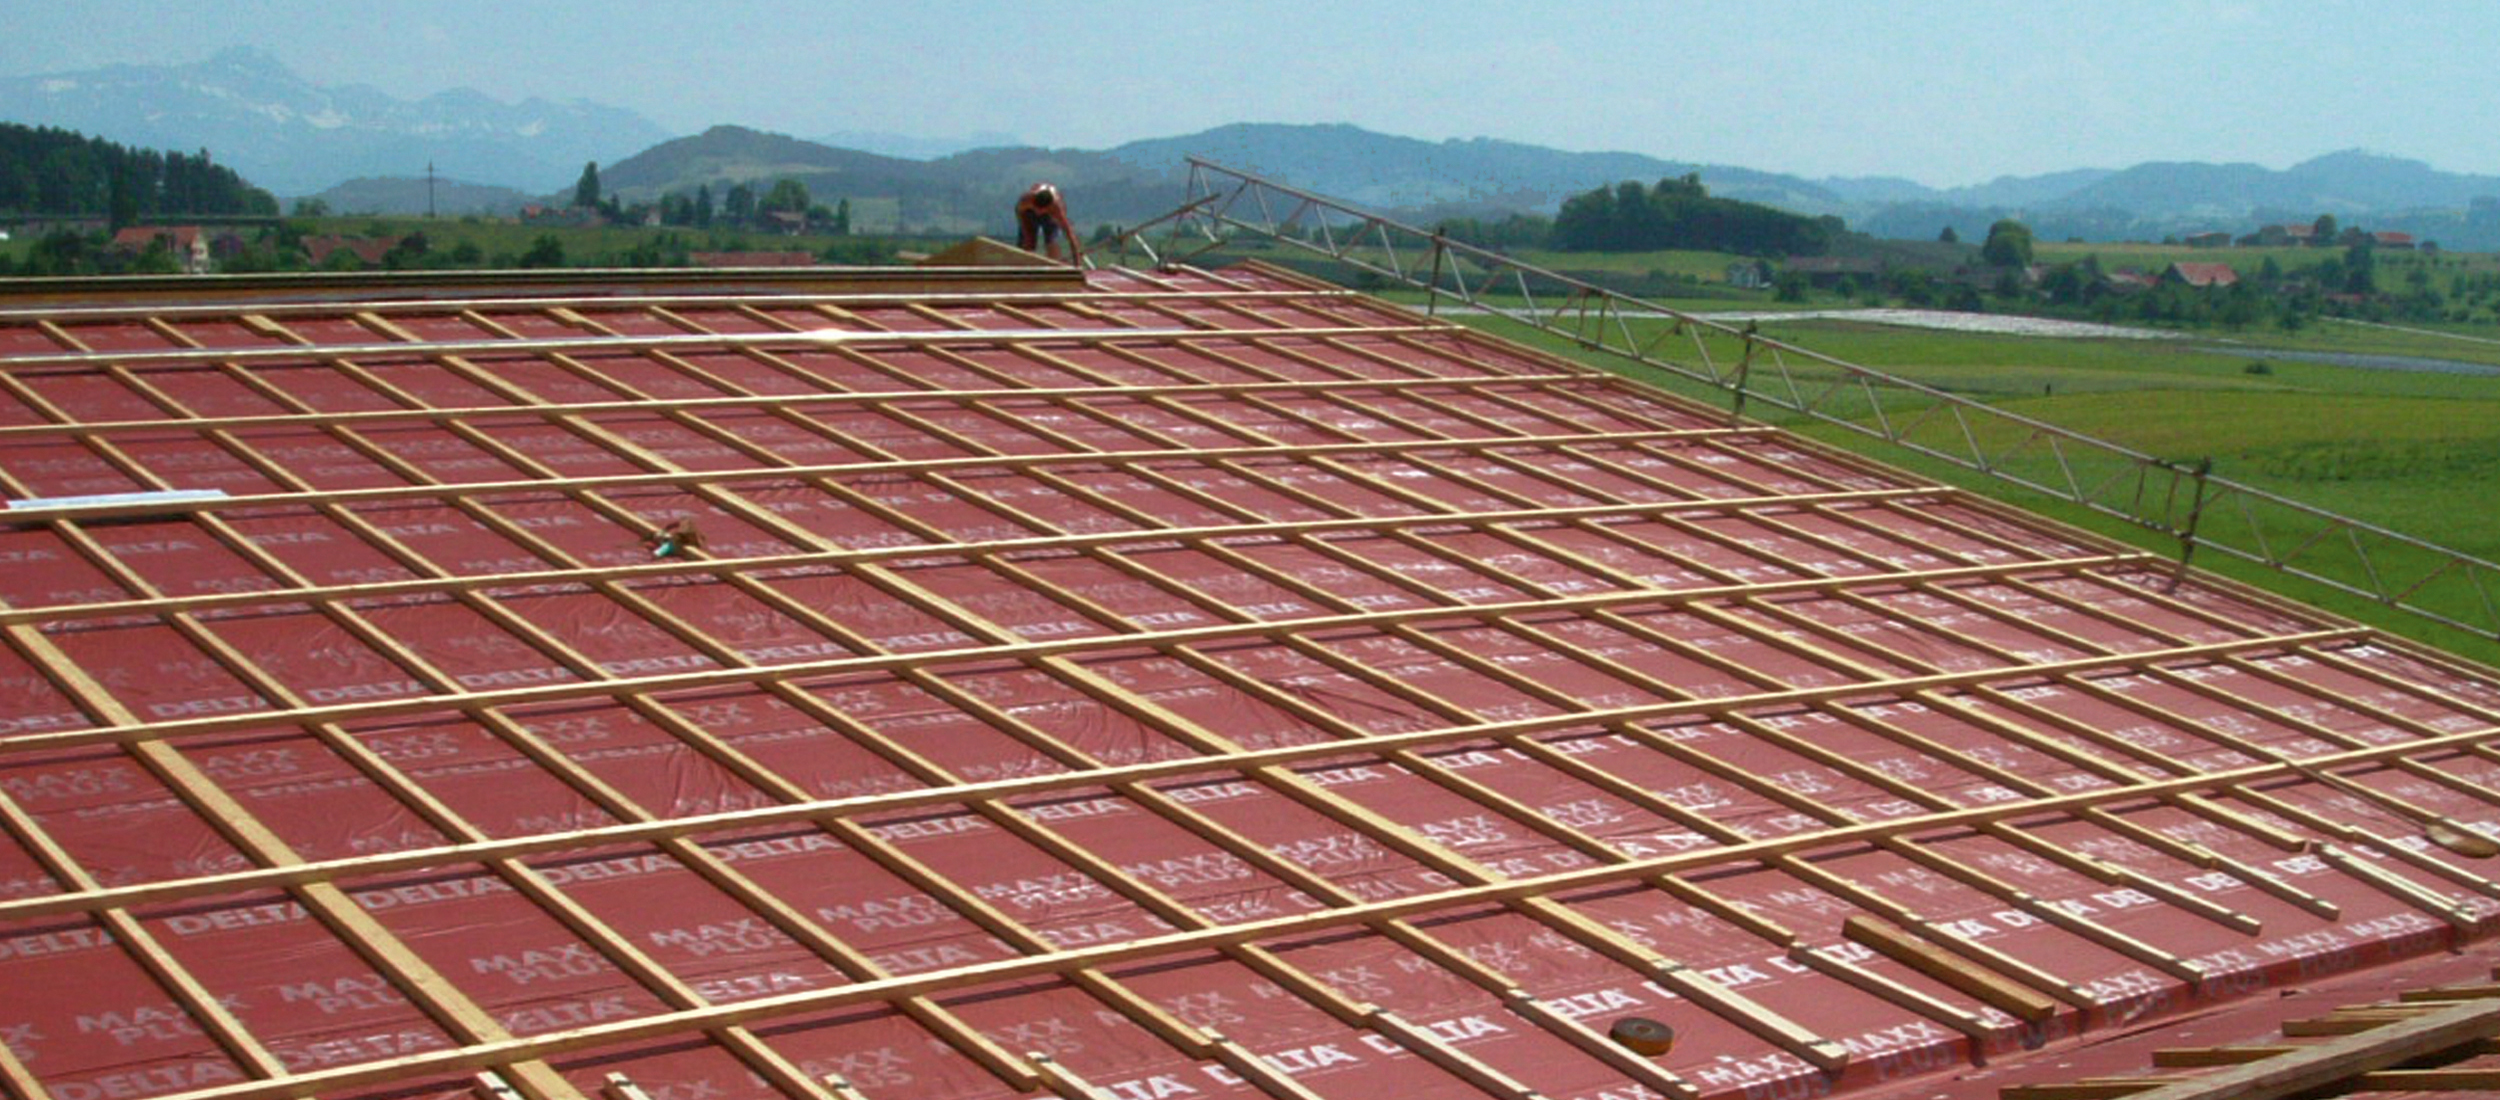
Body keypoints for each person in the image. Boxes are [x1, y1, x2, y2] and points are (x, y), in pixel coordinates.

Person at [1015, 182, 1082, 264]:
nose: (1038, 213)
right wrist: (1026, 232)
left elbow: (1070, 235)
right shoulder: (1026, 200)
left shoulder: (1056, 208)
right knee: (1028, 240)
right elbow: (1020, 214)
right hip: (1028, 213)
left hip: (1050, 216)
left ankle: (1053, 266)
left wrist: (1077, 263)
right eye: (1037, 209)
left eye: (1041, 211)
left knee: (1051, 240)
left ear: (1048, 208)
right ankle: (1024, 265)